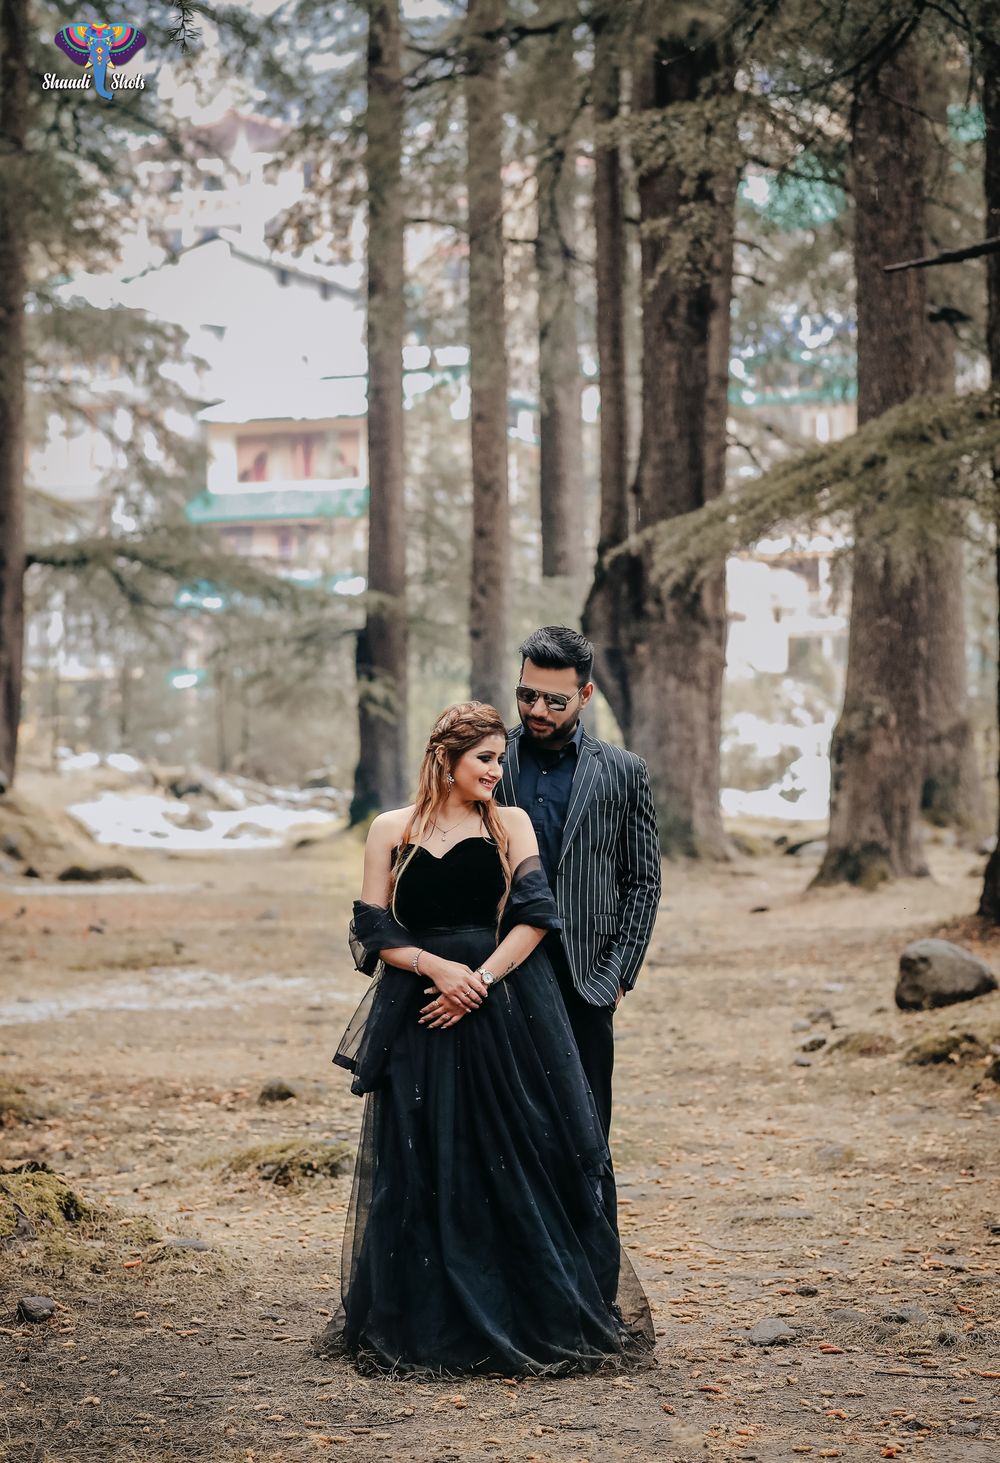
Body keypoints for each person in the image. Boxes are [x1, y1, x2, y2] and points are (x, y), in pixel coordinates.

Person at [321, 702, 653, 1377]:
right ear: (445, 757)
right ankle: (429, 1316)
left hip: (503, 1004)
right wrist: (436, 968)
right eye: (485, 759)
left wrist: (477, 979)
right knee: (423, 1152)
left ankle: (524, 1306)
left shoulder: (509, 824)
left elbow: (536, 917)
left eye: (501, 759)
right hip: (418, 1006)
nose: (498, 772)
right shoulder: (392, 828)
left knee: (515, 1145)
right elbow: (374, 927)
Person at [496, 627, 661, 1144]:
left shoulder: (623, 772)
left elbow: (644, 882)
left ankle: (588, 1227)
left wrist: (617, 975)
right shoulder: (489, 763)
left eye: (554, 699)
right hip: (498, 974)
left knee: (586, 1134)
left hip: (585, 977)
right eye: (527, 695)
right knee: (507, 1130)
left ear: (585, 695)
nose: (537, 709)